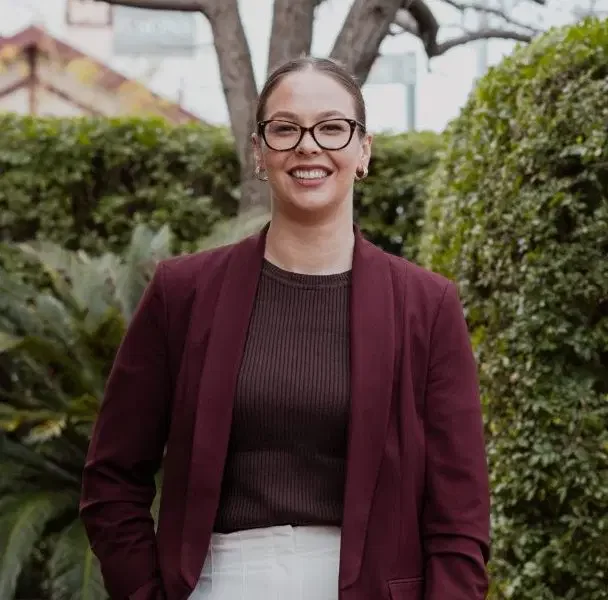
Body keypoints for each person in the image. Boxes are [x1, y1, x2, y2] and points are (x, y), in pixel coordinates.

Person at [80, 57, 490, 600]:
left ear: (362, 150)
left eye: (332, 127)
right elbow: (111, 479)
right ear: (259, 151)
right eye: (285, 128)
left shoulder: (425, 305)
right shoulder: (183, 294)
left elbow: (459, 516)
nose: (308, 145)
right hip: (217, 584)